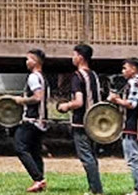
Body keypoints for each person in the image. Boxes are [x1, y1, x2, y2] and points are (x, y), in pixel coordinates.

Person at [58, 43, 105, 195]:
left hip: (81, 122)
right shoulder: (94, 76)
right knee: (92, 156)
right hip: (95, 123)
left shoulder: (77, 77)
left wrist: (65, 106)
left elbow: (79, 102)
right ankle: (94, 188)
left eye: (74, 55)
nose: (73, 58)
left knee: (86, 157)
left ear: (80, 57)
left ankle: (96, 190)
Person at [9, 48, 48, 193]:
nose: (26, 62)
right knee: (35, 151)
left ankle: (38, 178)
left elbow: (37, 97)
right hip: (42, 121)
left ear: (36, 61)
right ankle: (40, 181)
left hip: (32, 120)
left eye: (28, 59)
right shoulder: (43, 78)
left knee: (20, 147)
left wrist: (21, 100)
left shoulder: (33, 77)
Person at [111, 55, 138, 195]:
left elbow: (132, 104)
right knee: (137, 159)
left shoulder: (133, 83)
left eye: (125, 68)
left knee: (133, 159)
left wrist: (117, 100)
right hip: (136, 125)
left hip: (132, 126)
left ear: (133, 69)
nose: (123, 71)